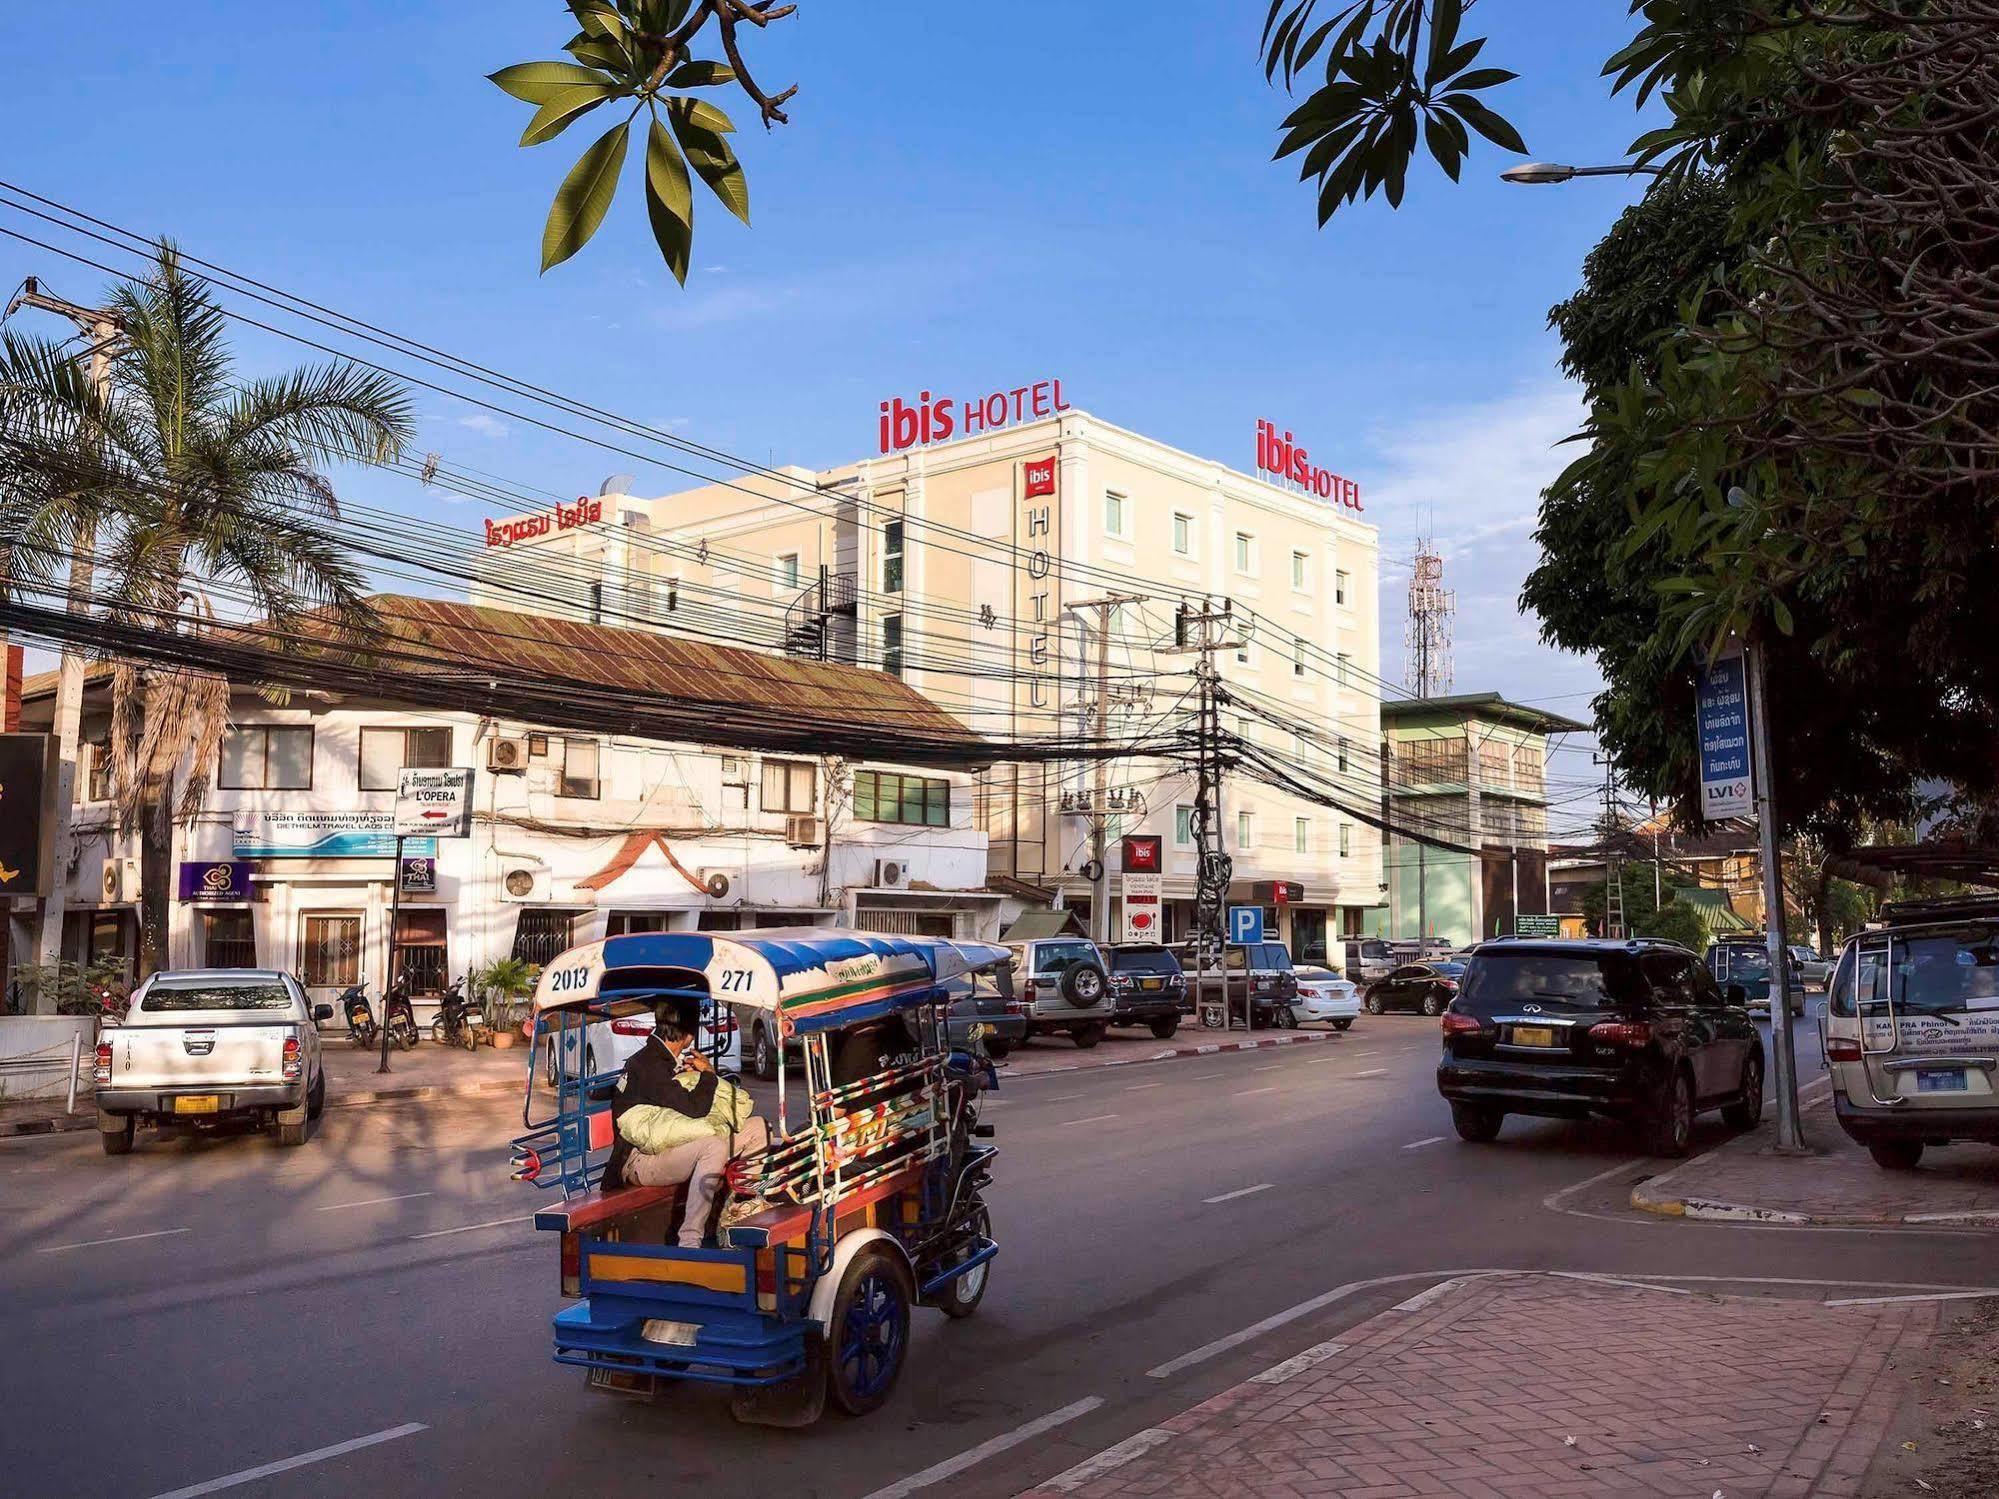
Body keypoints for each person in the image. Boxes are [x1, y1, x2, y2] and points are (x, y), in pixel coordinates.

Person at [604, 1005, 769, 1248]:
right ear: (688, 1035)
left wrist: (689, 1075)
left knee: (758, 1128)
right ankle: (690, 1239)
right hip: (639, 1161)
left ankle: (742, 1209)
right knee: (712, 1147)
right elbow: (696, 1109)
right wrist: (708, 1075)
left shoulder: (661, 1059)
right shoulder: (651, 1065)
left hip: (671, 1146)